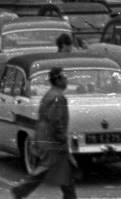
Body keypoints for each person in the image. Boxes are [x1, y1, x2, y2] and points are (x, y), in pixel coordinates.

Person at [11, 67, 74, 199]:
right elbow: (57, 121)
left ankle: (21, 190)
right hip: (52, 140)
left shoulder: (50, 94)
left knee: (60, 170)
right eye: (64, 78)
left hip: (45, 136)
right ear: (57, 80)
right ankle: (20, 190)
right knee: (50, 170)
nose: (66, 80)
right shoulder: (58, 97)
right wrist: (62, 137)